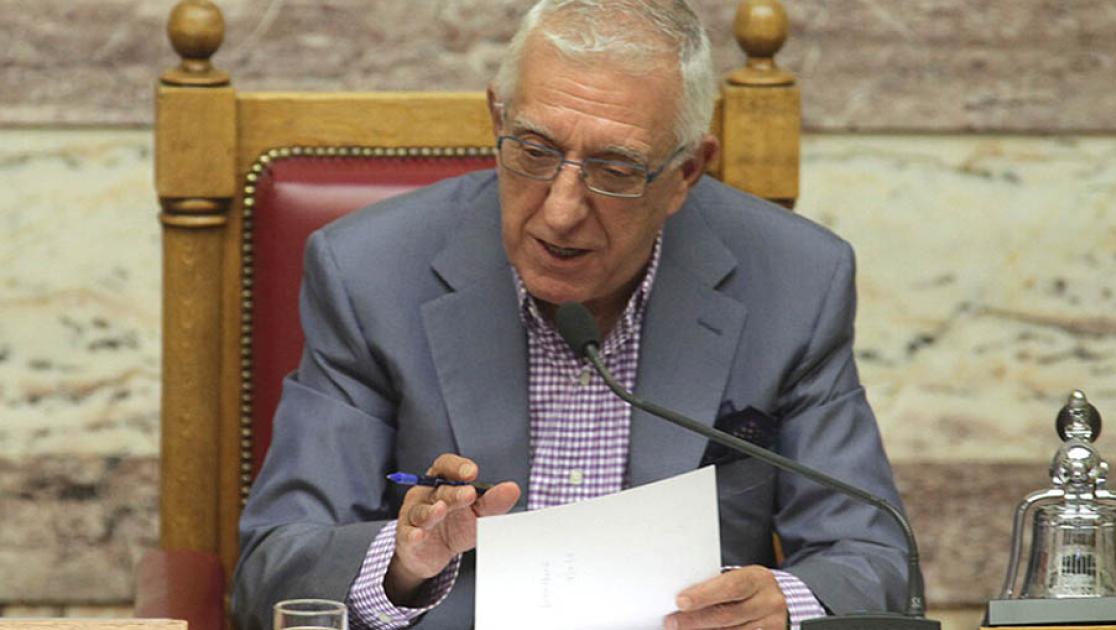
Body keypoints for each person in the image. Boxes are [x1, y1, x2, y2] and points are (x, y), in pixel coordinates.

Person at [232, 1, 912, 629]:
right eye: (534, 151)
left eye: (615, 170)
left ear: (686, 172)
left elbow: (874, 561)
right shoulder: (370, 272)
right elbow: (273, 569)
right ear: (496, 120)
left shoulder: (795, 282)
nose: (560, 212)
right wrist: (405, 561)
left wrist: (782, 607)